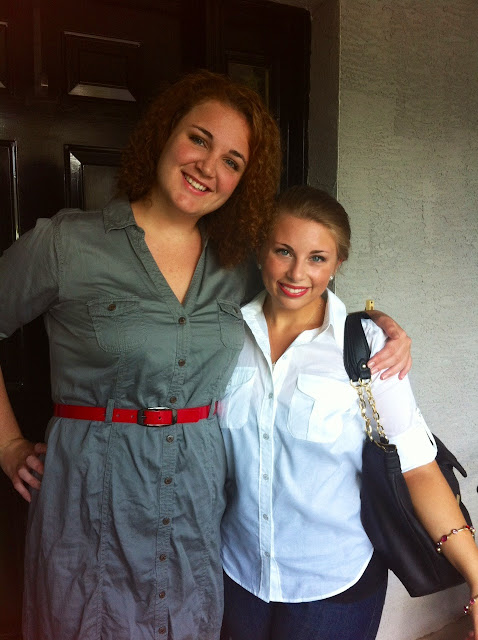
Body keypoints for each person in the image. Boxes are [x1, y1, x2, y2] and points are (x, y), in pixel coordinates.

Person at [0, 72, 411, 640]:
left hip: (196, 502)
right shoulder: (67, 244)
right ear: (165, 133)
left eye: (232, 161)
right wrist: (8, 445)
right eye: (199, 139)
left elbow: (303, 294)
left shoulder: (238, 264)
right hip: (92, 494)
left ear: (244, 180)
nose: (208, 167)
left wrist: (377, 325)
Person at [219, 185, 478, 640]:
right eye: (283, 251)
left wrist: (476, 576)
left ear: (338, 262)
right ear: (261, 251)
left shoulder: (367, 346)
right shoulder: (224, 336)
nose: (297, 272)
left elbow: (417, 467)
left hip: (334, 585)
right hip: (236, 574)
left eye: (317, 258)